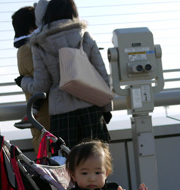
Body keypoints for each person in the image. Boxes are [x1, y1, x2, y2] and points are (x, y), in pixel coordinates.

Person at [17, 0, 112, 150]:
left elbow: (41, 86)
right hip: (92, 110)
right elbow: (103, 77)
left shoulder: (40, 44)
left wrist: (24, 82)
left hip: (62, 115)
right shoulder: (86, 37)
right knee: (96, 165)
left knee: (65, 167)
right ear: (74, 13)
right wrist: (106, 109)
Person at [11, 4, 51, 152]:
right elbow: (42, 81)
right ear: (32, 26)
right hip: (44, 115)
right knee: (48, 158)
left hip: (41, 115)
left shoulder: (26, 48)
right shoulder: (28, 49)